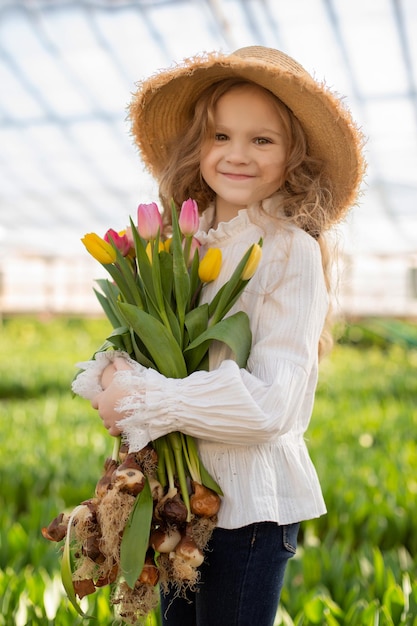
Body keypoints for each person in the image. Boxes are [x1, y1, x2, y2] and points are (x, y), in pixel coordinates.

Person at [72, 46, 365, 625]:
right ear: (196, 147)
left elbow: (272, 405)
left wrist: (142, 400)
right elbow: (141, 338)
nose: (237, 155)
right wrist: (110, 376)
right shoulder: (184, 241)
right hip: (178, 504)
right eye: (220, 136)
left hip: (250, 513)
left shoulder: (289, 252)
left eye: (262, 140)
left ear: (294, 156)